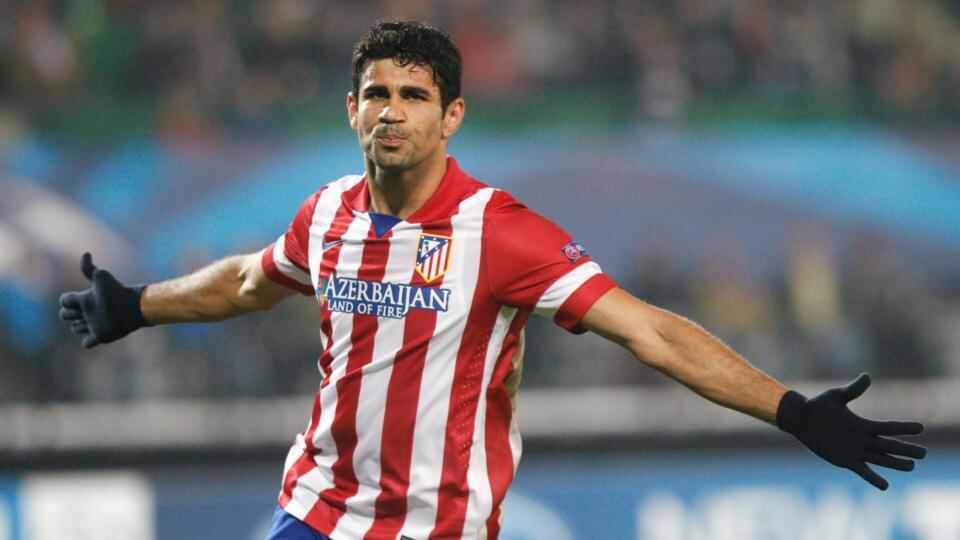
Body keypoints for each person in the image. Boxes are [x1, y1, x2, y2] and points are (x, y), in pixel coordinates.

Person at [58, 20, 927, 540]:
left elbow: (650, 330)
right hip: (317, 514)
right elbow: (251, 280)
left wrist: (790, 410)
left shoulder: (500, 232)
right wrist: (137, 305)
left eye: (413, 94)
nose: (391, 109)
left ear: (451, 116)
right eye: (375, 93)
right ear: (351, 110)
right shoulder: (325, 213)